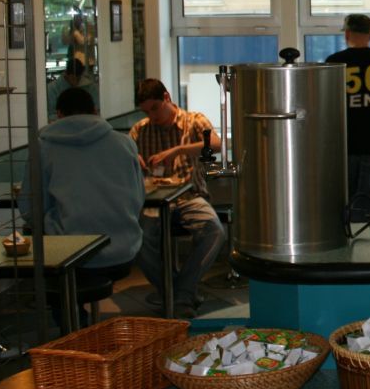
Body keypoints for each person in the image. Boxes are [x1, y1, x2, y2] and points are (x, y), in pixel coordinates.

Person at [18, 86, 144, 328]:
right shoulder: (124, 143)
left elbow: (30, 206)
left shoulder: (43, 148)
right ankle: (83, 330)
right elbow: (138, 198)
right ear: (95, 111)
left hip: (72, 256)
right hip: (123, 251)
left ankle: (73, 330)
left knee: (52, 261)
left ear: (58, 114)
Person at [130, 78, 225, 317]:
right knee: (138, 238)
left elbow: (216, 144)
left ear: (167, 98)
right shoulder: (140, 129)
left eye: (155, 108)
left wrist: (179, 150)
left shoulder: (193, 120)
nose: (152, 116)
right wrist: (133, 159)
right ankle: (180, 293)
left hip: (189, 196)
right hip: (153, 201)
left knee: (214, 231)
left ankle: (178, 293)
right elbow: (124, 152)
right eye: (146, 112)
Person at [325, 14, 370, 223]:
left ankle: (347, 239)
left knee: (343, 199)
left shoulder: (334, 62)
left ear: (347, 34)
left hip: (344, 142)